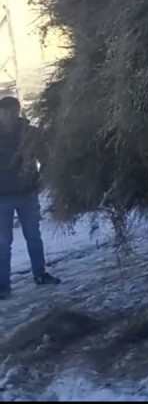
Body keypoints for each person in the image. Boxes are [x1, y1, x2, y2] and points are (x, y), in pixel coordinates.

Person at [0, 95, 61, 300]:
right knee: (3, 243)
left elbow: (46, 157)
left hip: (27, 194)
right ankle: (3, 286)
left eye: (14, 110)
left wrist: (42, 178)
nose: (11, 115)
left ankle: (40, 275)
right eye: (6, 111)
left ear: (18, 111)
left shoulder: (29, 133)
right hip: (2, 198)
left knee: (33, 237)